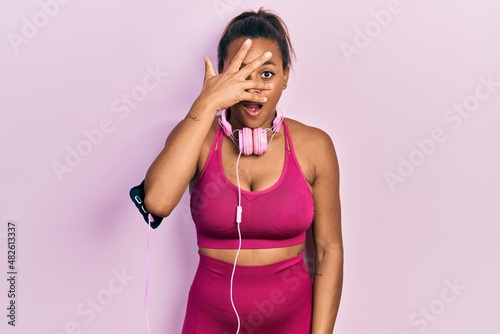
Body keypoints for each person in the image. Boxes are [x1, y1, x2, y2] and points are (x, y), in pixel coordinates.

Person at [144, 8, 343, 334]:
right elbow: (156, 202)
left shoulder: (314, 146)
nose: (254, 87)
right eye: (241, 72)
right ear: (223, 75)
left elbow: (327, 251)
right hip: (208, 320)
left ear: (285, 76)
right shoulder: (196, 137)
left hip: (293, 321)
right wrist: (207, 104)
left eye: (267, 73)